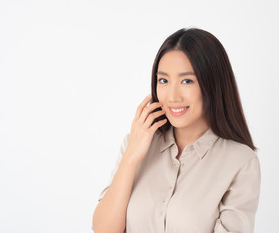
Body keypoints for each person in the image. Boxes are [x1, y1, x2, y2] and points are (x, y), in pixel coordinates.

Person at [92, 27, 261, 233]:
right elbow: (103, 229)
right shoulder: (135, 144)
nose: (172, 96)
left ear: (213, 84)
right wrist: (131, 158)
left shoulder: (240, 162)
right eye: (163, 80)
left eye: (186, 81)